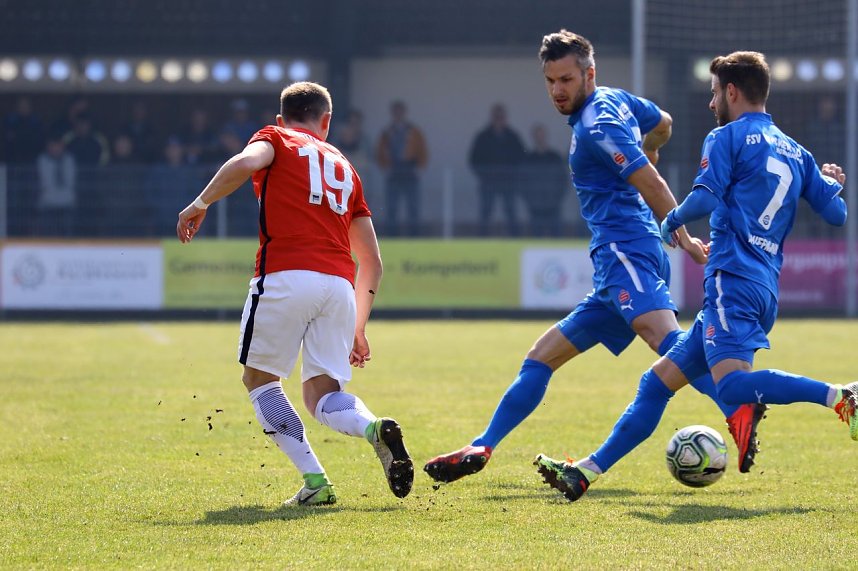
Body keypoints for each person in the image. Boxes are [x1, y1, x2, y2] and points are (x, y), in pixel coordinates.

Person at [424, 30, 764, 485]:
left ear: (589, 73)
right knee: (540, 358)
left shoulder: (598, 125)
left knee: (667, 344)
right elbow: (662, 120)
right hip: (616, 262)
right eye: (550, 81)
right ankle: (484, 444)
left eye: (566, 79)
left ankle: (737, 404)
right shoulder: (617, 101)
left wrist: (682, 237)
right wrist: (655, 143)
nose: (558, 90)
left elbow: (653, 185)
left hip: (628, 250)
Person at [534, 51, 856, 502]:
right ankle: (584, 473)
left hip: (732, 282)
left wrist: (671, 224)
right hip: (762, 287)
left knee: (736, 386)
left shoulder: (725, 137)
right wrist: (829, 183)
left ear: (731, 92)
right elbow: (837, 214)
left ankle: (841, 396)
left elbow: (703, 199)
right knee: (656, 383)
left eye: (712, 94)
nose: (709, 105)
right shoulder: (796, 151)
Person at [176, 82, 414, 506]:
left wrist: (201, 201)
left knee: (259, 379)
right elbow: (373, 262)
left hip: (286, 274)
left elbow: (246, 162)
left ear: (282, 118)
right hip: (340, 286)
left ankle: (317, 482)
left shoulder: (276, 137)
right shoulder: (346, 167)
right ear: (327, 121)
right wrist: (358, 328)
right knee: (322, 395)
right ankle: (373, 427)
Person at [468, 103, 526, 236]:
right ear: (492, 117)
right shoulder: (483, 137)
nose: (499, 119)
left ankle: (514, 237)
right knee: (485, 211)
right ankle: (482, 238)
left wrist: (514, 174)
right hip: (488, 182)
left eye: (501, 117)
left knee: (511, 211)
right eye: (496, 116)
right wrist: (483, 174)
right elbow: (474, 159)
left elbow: (522, 157)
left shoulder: (513, 137)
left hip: (508, 182)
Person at [375, 100, 428, 236]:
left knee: (413, 206)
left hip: (410, 170)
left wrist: (419, 167)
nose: (398, 114)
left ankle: (414, 234)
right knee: (392, 206)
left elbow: (422, 150)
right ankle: (392, 235)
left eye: (400, 111)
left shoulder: (414, 131)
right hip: (394, 171)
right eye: (395, 112)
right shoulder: (387, 132)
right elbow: (380, 152)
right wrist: (385, 167)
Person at [521, 123, 568, 237]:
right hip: (535, 205)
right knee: (536, 234)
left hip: (553, 204)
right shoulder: (529, 159)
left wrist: (557, 198)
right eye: (538, 135)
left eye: (542, 135)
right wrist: (529, 199)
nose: (540, 138)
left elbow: (563, 179)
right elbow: (522, 181)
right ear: (534, 137)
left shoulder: (554, 157)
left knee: (556, 234)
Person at [35, 133, 76, 236]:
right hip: (48, 204)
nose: (55, 148)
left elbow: (73, 181)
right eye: (52, 145)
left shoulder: (69, 160)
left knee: (67, 234)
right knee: (49, 235)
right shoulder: (42, 161)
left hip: (67, 204)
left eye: (58, 145)